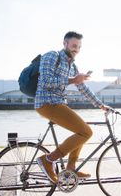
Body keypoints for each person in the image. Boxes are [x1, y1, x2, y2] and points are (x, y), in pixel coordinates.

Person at [35, 31, 109, 183]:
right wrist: (72, 80)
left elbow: (83, 88)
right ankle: (48, 160)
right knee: (85, 132)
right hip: (46, 103)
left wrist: (100, 105)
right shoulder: (51, 56)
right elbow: (45, 82)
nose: (76, 49)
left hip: (57, 103)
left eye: (79, 47)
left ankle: (70, 168)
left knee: (82, 130)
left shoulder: (72, 66)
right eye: (74, 45)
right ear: (65, 43)